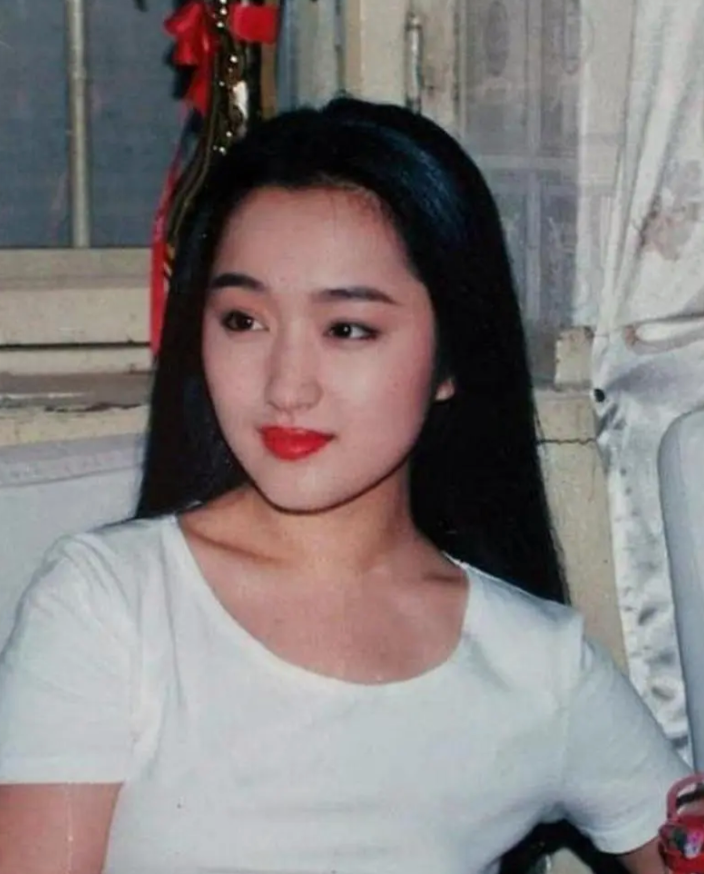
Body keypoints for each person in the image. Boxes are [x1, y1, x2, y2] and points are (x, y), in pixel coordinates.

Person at [0, 97, 689, 874]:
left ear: (451, 359)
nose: (287, 386)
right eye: (243, 320)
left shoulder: (538, 666)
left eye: (348, 329)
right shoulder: (108, 604)